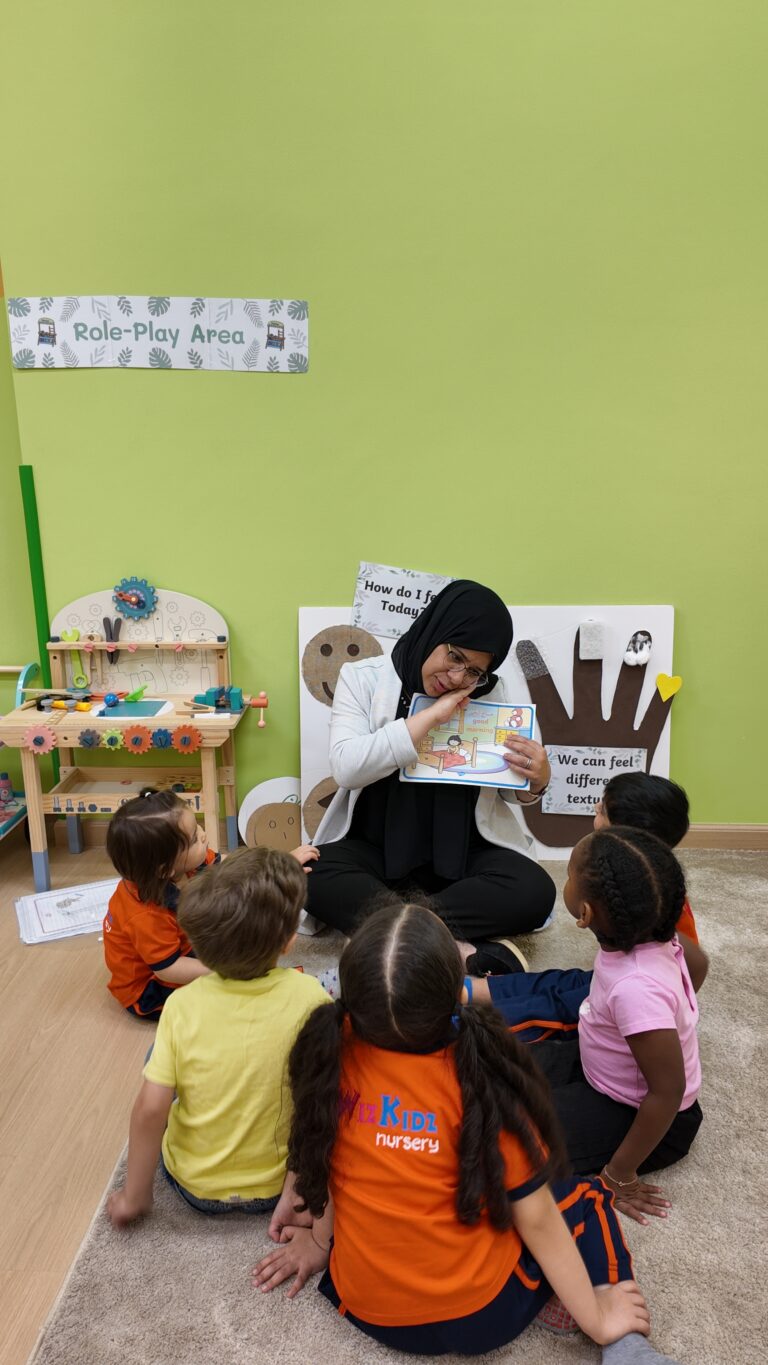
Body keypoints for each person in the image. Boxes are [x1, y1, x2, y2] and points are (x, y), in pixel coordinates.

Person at [252, 904, 680, 1363]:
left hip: (366, 1307)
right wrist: (596, 1317)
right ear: (457, 990)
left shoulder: (332, 1055)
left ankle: (556, 1299)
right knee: (585, 1198)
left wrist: (320, 1242)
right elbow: (537, 1219)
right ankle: (623, 1343)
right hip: (481, 1317)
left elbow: (325, 1155)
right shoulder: (486, 1086)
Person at [304, 580, 556, 968]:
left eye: (474, 671)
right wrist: (429, 718)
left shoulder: (490, 692)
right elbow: (347, 768)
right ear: (433, 630)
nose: (456, 678)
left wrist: (536, 779)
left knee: (534, 891)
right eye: (454, 656)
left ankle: (392, 928)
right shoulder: (363, 678)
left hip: (462, 853)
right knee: (311, 874)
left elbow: (509, 789)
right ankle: (444, 940)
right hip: (374, 848)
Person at [474, 828, 703, 1224]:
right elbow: (699, 965)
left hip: (641, 1115)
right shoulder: (657, 937)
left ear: (584, 914)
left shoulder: (637, 988)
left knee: (499, 1146)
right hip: (597, 1064)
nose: (565, 880)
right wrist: (674, 1004)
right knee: (487, 1066)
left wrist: (619, 1175)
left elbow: (668, 1092)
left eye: (568, 876)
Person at [107, 847, 329, 1225]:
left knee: (158, 1058)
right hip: (276, 1186)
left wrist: (134, 1196)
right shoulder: (312, 996)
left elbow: (151, 1109)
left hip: (196, 1187)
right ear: (289, 941)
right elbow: (323, 1101)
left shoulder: (181, 1005)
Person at [104, 789, 319, 1017]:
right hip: (151, 988)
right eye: (194, 839)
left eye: (197, 827)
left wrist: (283, 863)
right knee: (232, 998)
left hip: (188, 946)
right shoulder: (144, 915)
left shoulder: (185, 864)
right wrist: (226, 971)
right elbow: (168, 969)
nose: (204, 835)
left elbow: (234, 866)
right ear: (165, 869)